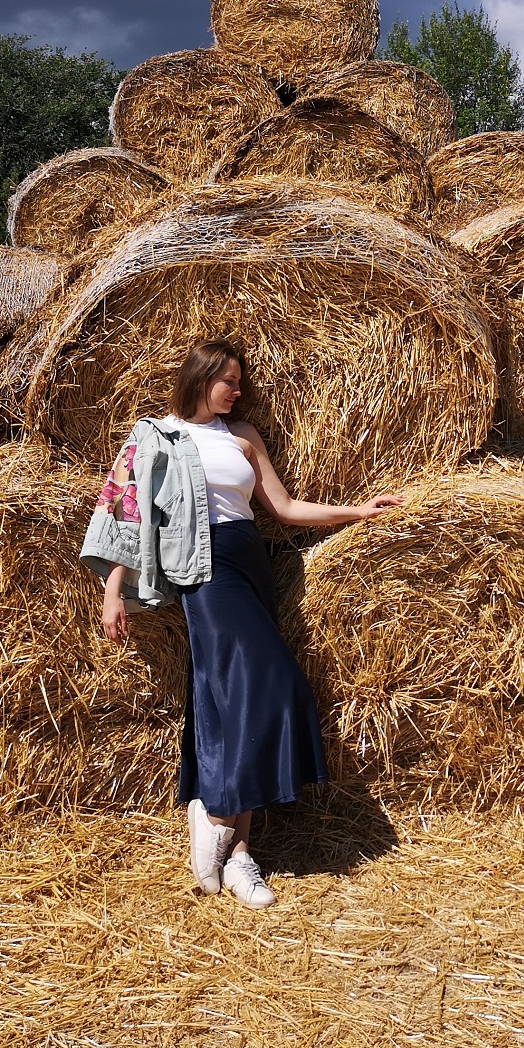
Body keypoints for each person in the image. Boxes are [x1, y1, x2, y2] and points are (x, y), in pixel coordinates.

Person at [81, 338, 401, 910]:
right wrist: (113, 590)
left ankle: (237, 853)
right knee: (270, 684)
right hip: (205, 570)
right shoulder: (154, 436)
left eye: (239, 381)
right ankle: (218, 812)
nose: (235, 390)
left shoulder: (244, 436)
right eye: (226, 379)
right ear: (199, 378)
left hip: (248, 562)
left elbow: (284, 508)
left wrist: (358, 511)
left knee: (232, 698)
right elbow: (127, 518)